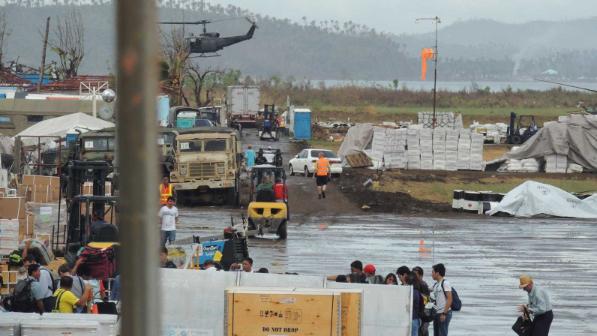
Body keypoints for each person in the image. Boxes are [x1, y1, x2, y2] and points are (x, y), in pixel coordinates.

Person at [431, 263, 452, 336]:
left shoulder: (445, 283)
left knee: (442, 334)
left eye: (433, 272)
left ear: (437, 273)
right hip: (437, 313)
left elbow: (449, 299)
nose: (432, 274)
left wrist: (444, 313)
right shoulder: (436, 284)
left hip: (444, 313)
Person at [413, 266, 431, 336]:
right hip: (417, 316)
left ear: (421, 276)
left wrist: (425, 321)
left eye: (415, 275)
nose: (413, 276)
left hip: (422, 317)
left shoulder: (423, 286)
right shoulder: (415, 285)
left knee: (423, 332)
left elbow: (427, 302)